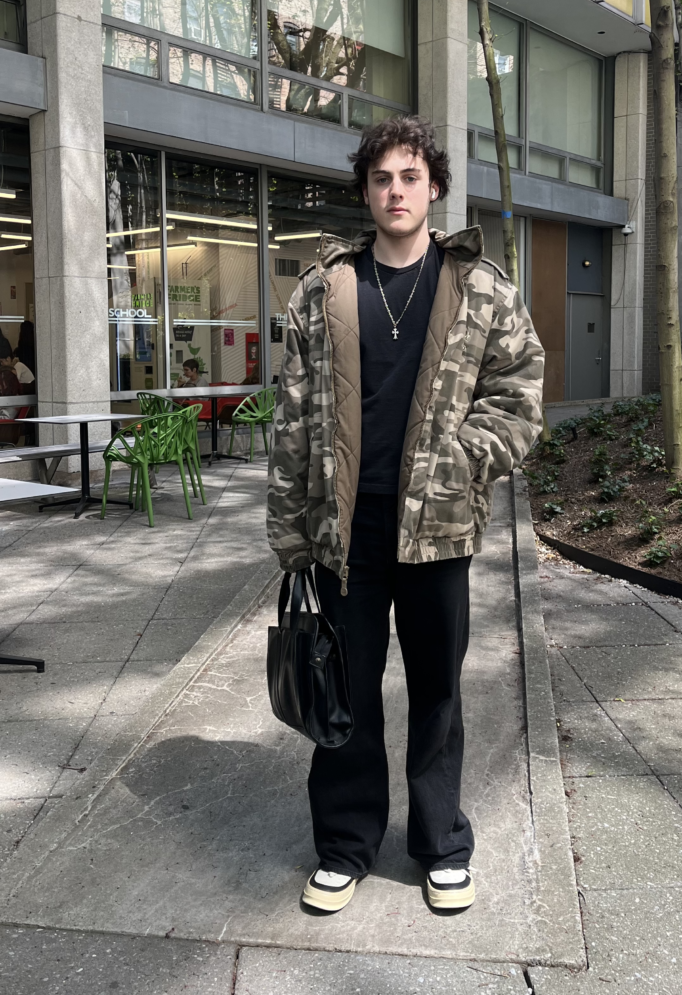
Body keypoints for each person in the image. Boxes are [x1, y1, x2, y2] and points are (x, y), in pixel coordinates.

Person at [266, 115, 544, 914]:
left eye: (410, 177)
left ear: (435, 189)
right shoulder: (327, 288)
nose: (396, 190)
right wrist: (290, 532)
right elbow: (292, 418)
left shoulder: (481, 288)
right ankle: (346, 844)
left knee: (437, 690)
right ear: (366, 190)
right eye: (383, 177)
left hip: (438, 529)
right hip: (342, 532)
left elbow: (521, 396)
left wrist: (465, 458)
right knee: (344, 691)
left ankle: (439, 843)